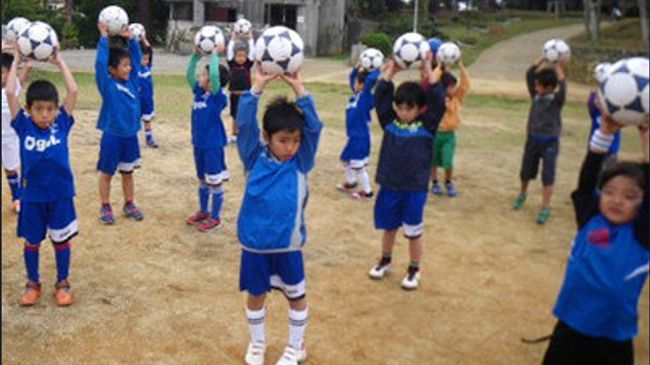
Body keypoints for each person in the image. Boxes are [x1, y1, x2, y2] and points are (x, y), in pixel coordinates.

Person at [542, 114, 649, 365]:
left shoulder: (642, 233)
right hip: (571, 325)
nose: (616, 200)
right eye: (609, 192)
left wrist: (646, 143)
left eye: (629, 196)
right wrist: (604, 134)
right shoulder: (591, 218)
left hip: (612, 335)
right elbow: (587, 180)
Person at [236, 63, 323, 365]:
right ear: (267, 136)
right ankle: (258, 343)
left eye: (296, 140)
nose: (290, 147)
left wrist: (299, 90)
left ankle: (296, 347)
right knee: (256, 294)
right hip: (255, 245)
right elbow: (244, 125)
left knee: (296, 296)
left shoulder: (301, 161)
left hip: (288, 246)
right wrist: (256, 87)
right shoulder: (253, 157)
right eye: (283, 140)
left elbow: (314, 127)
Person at [6, 46, 79, 307]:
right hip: (33, 197)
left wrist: (59, 61)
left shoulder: (62, 123)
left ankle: (63, 282)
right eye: (39, 109)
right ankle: (33, 282)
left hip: (60, 195)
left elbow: (73, 91)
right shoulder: (23, 125)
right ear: (29, 109)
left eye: (50, 109)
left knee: (61, 240)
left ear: (56, 110)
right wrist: (16, 60)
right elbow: (10, 92)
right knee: (32, 241)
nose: (45, 115)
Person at [367, 55, 446, 290]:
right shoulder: (390, 123)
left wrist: (428, 70)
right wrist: (391, 71)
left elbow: (438, 100)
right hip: (390, 185)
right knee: (389, 227)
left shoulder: (427, 125)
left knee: (413, 231)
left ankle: (414, 268)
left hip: (414, 189)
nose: (403, 112)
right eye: (399, 107)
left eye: (408, 108)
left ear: (420, 109)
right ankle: (385, 260)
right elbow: (381, 97)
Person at [95, 22, 145, 224]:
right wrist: (103, 38)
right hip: (112, 136)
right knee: (107, 173)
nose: (128, 68)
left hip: (130, 136)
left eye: (128, 65)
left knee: (128, 172)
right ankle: (105, 206)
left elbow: (138, 59)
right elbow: (100, 64)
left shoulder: (132, 81)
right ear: (112, 70)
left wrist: (131, 40)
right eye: (123, 65)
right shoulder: (108, 84)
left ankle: (129, 203)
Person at [512, 57, 568, 224]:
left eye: (539, 85)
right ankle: (522, 193)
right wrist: (544, 58)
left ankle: (545, 207)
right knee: (526, 170)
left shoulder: (557, 101)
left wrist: (558, 67)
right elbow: (530, 73)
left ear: (550, 87)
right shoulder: (535, 96)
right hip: (533, 139)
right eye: (535, 85)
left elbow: (563, 87)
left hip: (550, 141)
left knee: (548, 174)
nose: (535, 87)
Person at [184, 46, 231, 232]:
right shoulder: (199, 93)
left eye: (204, 75)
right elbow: (189, 76)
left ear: (212, 81)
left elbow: (215, 76)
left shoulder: (217, 97)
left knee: (214, 181)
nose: (200, 77)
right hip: (199, 144)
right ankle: (204, 211)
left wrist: (214, 56)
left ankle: (216, 217)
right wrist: (195, 57)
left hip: (213, 145)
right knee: (202, 180)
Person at [335, 62, 379, 200]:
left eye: (356, 83)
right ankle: (351, 182)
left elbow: (371, 80)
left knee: (358, 167)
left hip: (361, 138)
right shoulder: (355, 96)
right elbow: (351, 78)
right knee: (345, 159)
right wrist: (356, 68)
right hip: (353, 137)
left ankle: (368, 192)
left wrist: (377, 68)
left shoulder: (365, 97)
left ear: (362, 85)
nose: (353, 84)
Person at [431, 59, 470, 197]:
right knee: (433, 160)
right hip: (436, 134)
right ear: (444, 88)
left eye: (455, 86)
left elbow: (465, 85)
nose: (454, 89)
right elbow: (434, 80)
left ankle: (448, 182)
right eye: (451, 87)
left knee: (448, 161)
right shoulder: (437, 97)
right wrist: (440, 67)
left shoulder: (457, 98)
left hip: (449, 135)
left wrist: (461, 66)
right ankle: (435, 182)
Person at [2, 45, 31, 213]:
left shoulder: (11, 89)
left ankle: (17, 197)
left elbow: (21, 73)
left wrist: (20, 58)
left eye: (2, 72)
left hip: (10, 138)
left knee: (11, 168)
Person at [226, 31, 255, 144]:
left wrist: (250, 39)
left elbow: (252, 51)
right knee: (234, 115)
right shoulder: (232, 64)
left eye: (243, 56)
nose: (241, 58)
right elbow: (229, 51)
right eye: (239, 56)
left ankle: (246, 135)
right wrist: (233, 39)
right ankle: (234, 135)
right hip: (234, 94)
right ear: (235, 56)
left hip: (245, 95)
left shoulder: (247, 65)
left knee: (246, 115)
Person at [587, 63, 620, 159]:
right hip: (595, 144)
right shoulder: (593, 96)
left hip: (611, 147)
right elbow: (594, 105)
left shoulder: (617, 99)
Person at [138, 36, 159, 148]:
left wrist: (143, 38)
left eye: (146, 59)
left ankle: (149, 138)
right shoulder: (134, 68)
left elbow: (150, 50)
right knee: (133, 119)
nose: (145, 61)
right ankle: (132, 138)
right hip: (136, 99)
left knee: (147, 119)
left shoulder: (148, 67)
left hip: (147, 99)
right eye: (143, 59)